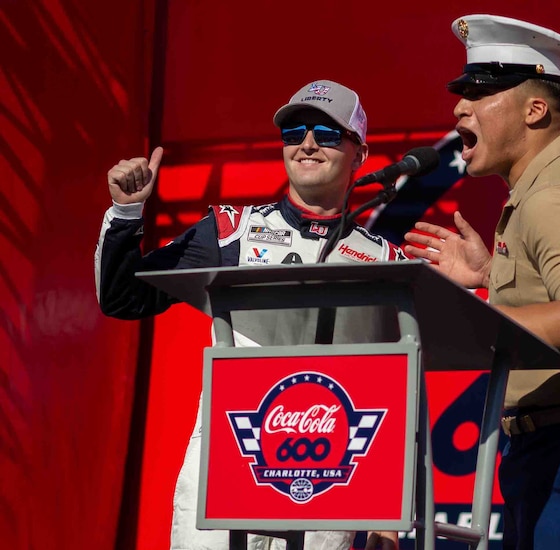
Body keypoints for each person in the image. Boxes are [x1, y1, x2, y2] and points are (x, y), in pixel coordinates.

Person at [95, 79, 400, 550]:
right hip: (226, 462)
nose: (308, 144)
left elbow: (393, 389)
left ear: (360, 155)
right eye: (294, 132)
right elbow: (123, 299)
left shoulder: (383, 259)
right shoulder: (229, 231)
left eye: (328, 133)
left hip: (328, 474)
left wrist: (386, 515)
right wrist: (126, 211)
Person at [404, 15, 560, 550]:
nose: (458, 108)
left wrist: (478, 320)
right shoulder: (544, 188)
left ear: (536, 109)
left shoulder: (552, 197)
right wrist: (489, 277)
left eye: (479, 92)